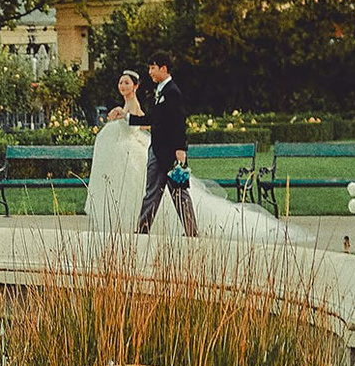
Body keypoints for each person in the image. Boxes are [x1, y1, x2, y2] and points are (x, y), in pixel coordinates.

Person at [85, 57, 291, 242]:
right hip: (157, 151)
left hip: (169, 152)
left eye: (153, 67)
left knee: (178, 193)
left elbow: (178, 122)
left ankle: (191, 230)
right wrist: (127, 117)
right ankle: (143, 230)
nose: (150, 71)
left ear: (164, 68)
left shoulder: (172, 92)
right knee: (152, 193)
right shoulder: (161, 92)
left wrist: (180, 148)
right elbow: (154, 119)